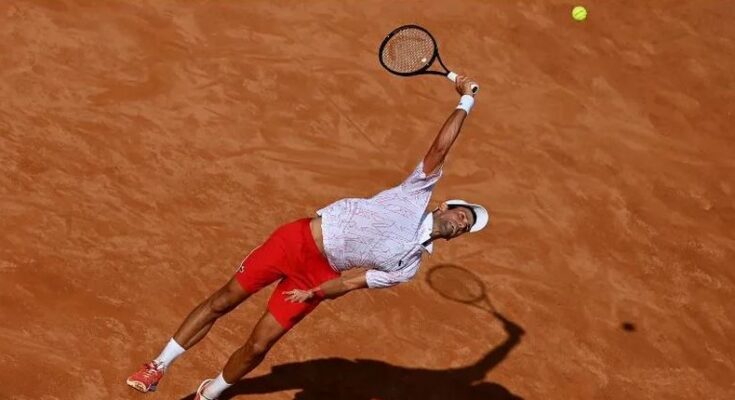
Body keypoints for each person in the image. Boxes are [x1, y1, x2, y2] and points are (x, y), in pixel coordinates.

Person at [126, 75, 489, 399]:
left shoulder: (407, 267)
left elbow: (351, 283)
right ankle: (158, 365)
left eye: (466, 226)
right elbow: (441, 148)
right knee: (223, 301)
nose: (461, 223)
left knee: (258, 346)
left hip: (317, 276)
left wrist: (313, 292)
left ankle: (211, 394)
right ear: (442, 207)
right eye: (461, 213)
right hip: (297, 241)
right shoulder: (416, 192)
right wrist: (465, 100)